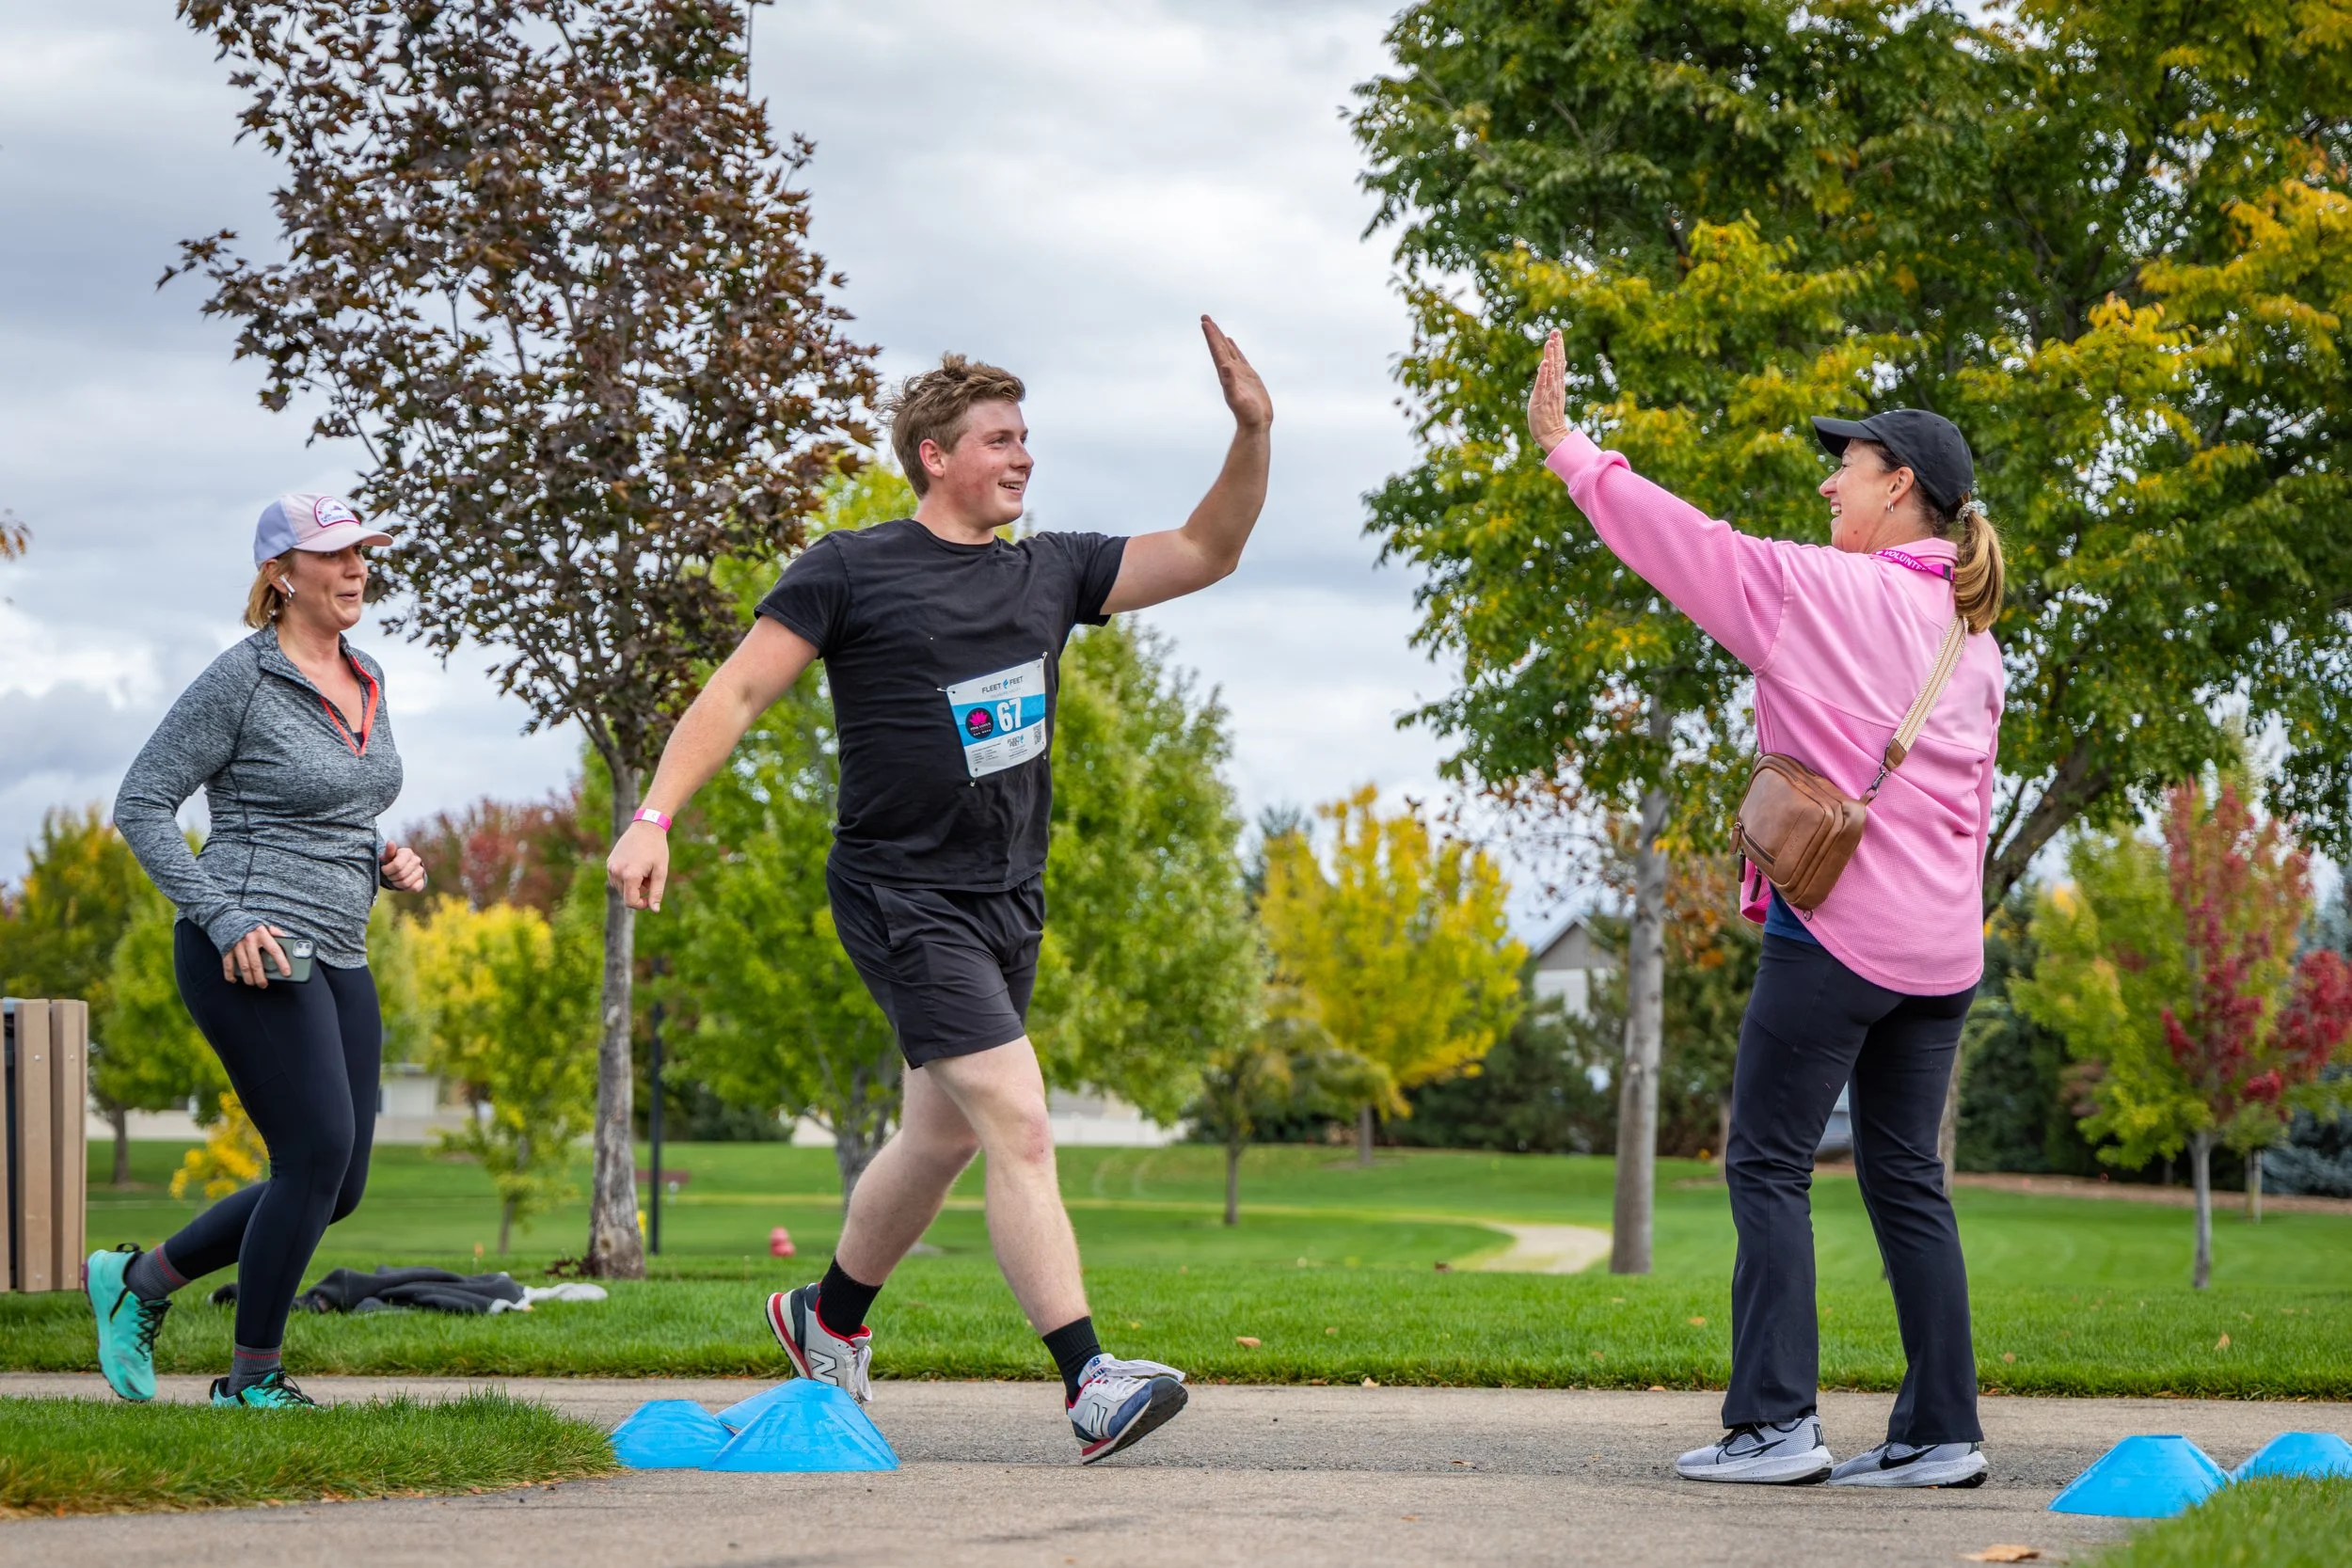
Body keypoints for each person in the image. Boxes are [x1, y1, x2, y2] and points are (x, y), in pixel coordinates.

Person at [609, 319, 1271, 1462]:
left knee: (941, 1137)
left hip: (1008, 896)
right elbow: (735, 695)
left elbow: (1208, 549)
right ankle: (1089, 1378)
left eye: (1026, 438)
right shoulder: (850, 567)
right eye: (1000, 438)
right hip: (898, 890)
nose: (1023, 456)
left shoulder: (1050, 568)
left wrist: (1252, 431)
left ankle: (827, 1314)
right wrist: (653, 815)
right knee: (1017, 1114)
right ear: (934, 454)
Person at [1526, 333, 2006, 1488]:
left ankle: (1775, 1425)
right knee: (1906, 1181)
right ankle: (1943, 1433)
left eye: (1847, 462)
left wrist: (1569, 451)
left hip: (1835, 935)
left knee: (1769, 1164)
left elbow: (1688, 548)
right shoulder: (1975, 636)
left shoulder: (1831, 592)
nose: (1828, 478)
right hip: (1940, 956)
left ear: (1901, 487)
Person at [94, 493, 428, 1410]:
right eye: (334, 553)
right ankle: (252, 1379)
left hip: (340, 944)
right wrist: (223, 916)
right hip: (249, 945)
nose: (357, 567)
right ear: (281, 574)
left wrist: (381, 853)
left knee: (340, 1179)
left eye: (363, 550)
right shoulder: (240, 678)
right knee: (315, 1148)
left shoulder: (367, 675)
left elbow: (338, 810)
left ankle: (140, 1281)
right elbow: (142, 803)